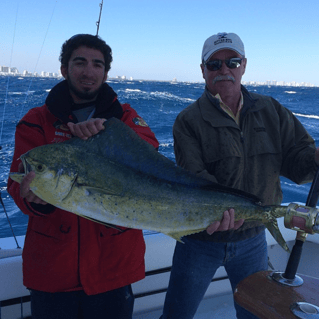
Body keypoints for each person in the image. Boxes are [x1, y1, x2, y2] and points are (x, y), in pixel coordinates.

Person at [160, 32, 319, 319]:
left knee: (255, 314)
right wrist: (216, 214)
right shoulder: (188, 120)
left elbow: (300, 164)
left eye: (232, 62)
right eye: (214, 64)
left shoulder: (272, 110)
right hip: (199, 241)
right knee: (176, 315)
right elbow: (194, 181)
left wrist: (315, 159)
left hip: (253, 239)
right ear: (203, 70)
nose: (224, 70)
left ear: (243, 65)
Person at [7, 34, 159, 319]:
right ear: (64, 69)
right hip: (53, 271)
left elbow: (149, 150)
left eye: (97, 64)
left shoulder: (124, 117)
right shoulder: (35, 120)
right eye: (80, 62)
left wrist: (108, 133)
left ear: (105, 72)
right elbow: (17, 180)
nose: (89, 71)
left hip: (112, 269)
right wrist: (33, 199)